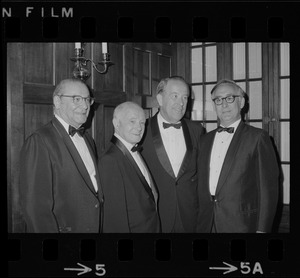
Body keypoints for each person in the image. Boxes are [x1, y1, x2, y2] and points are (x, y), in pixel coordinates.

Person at [19, 78, 103, 233]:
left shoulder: (88, 139)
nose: (85, 106)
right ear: (57, 101)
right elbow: (35, 209)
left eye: (87, 100)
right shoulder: (40, 141)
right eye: (76, 99)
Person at [197, 79, 279, 233]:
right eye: (218, 100)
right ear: (214, 105)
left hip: (242, 225)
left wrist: (262, 230)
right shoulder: (204, 140)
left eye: (229, 98)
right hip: (206, 224)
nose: (224, 105)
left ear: (241, 102)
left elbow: (269, 189)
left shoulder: (258, 138)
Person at [141, 76, 205, 233]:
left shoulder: (197, 130)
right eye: (175, 96)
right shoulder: (141, 129)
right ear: (160, 99)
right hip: (156, 216)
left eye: (185, 97)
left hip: (190, 216)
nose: (181, 103)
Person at [99, 101, 161, 233]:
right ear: (116, 123)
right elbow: (115, 220)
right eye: (132, 121)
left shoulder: (134, 150)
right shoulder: (110, 160)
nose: (139, 128)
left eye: (142, 123)